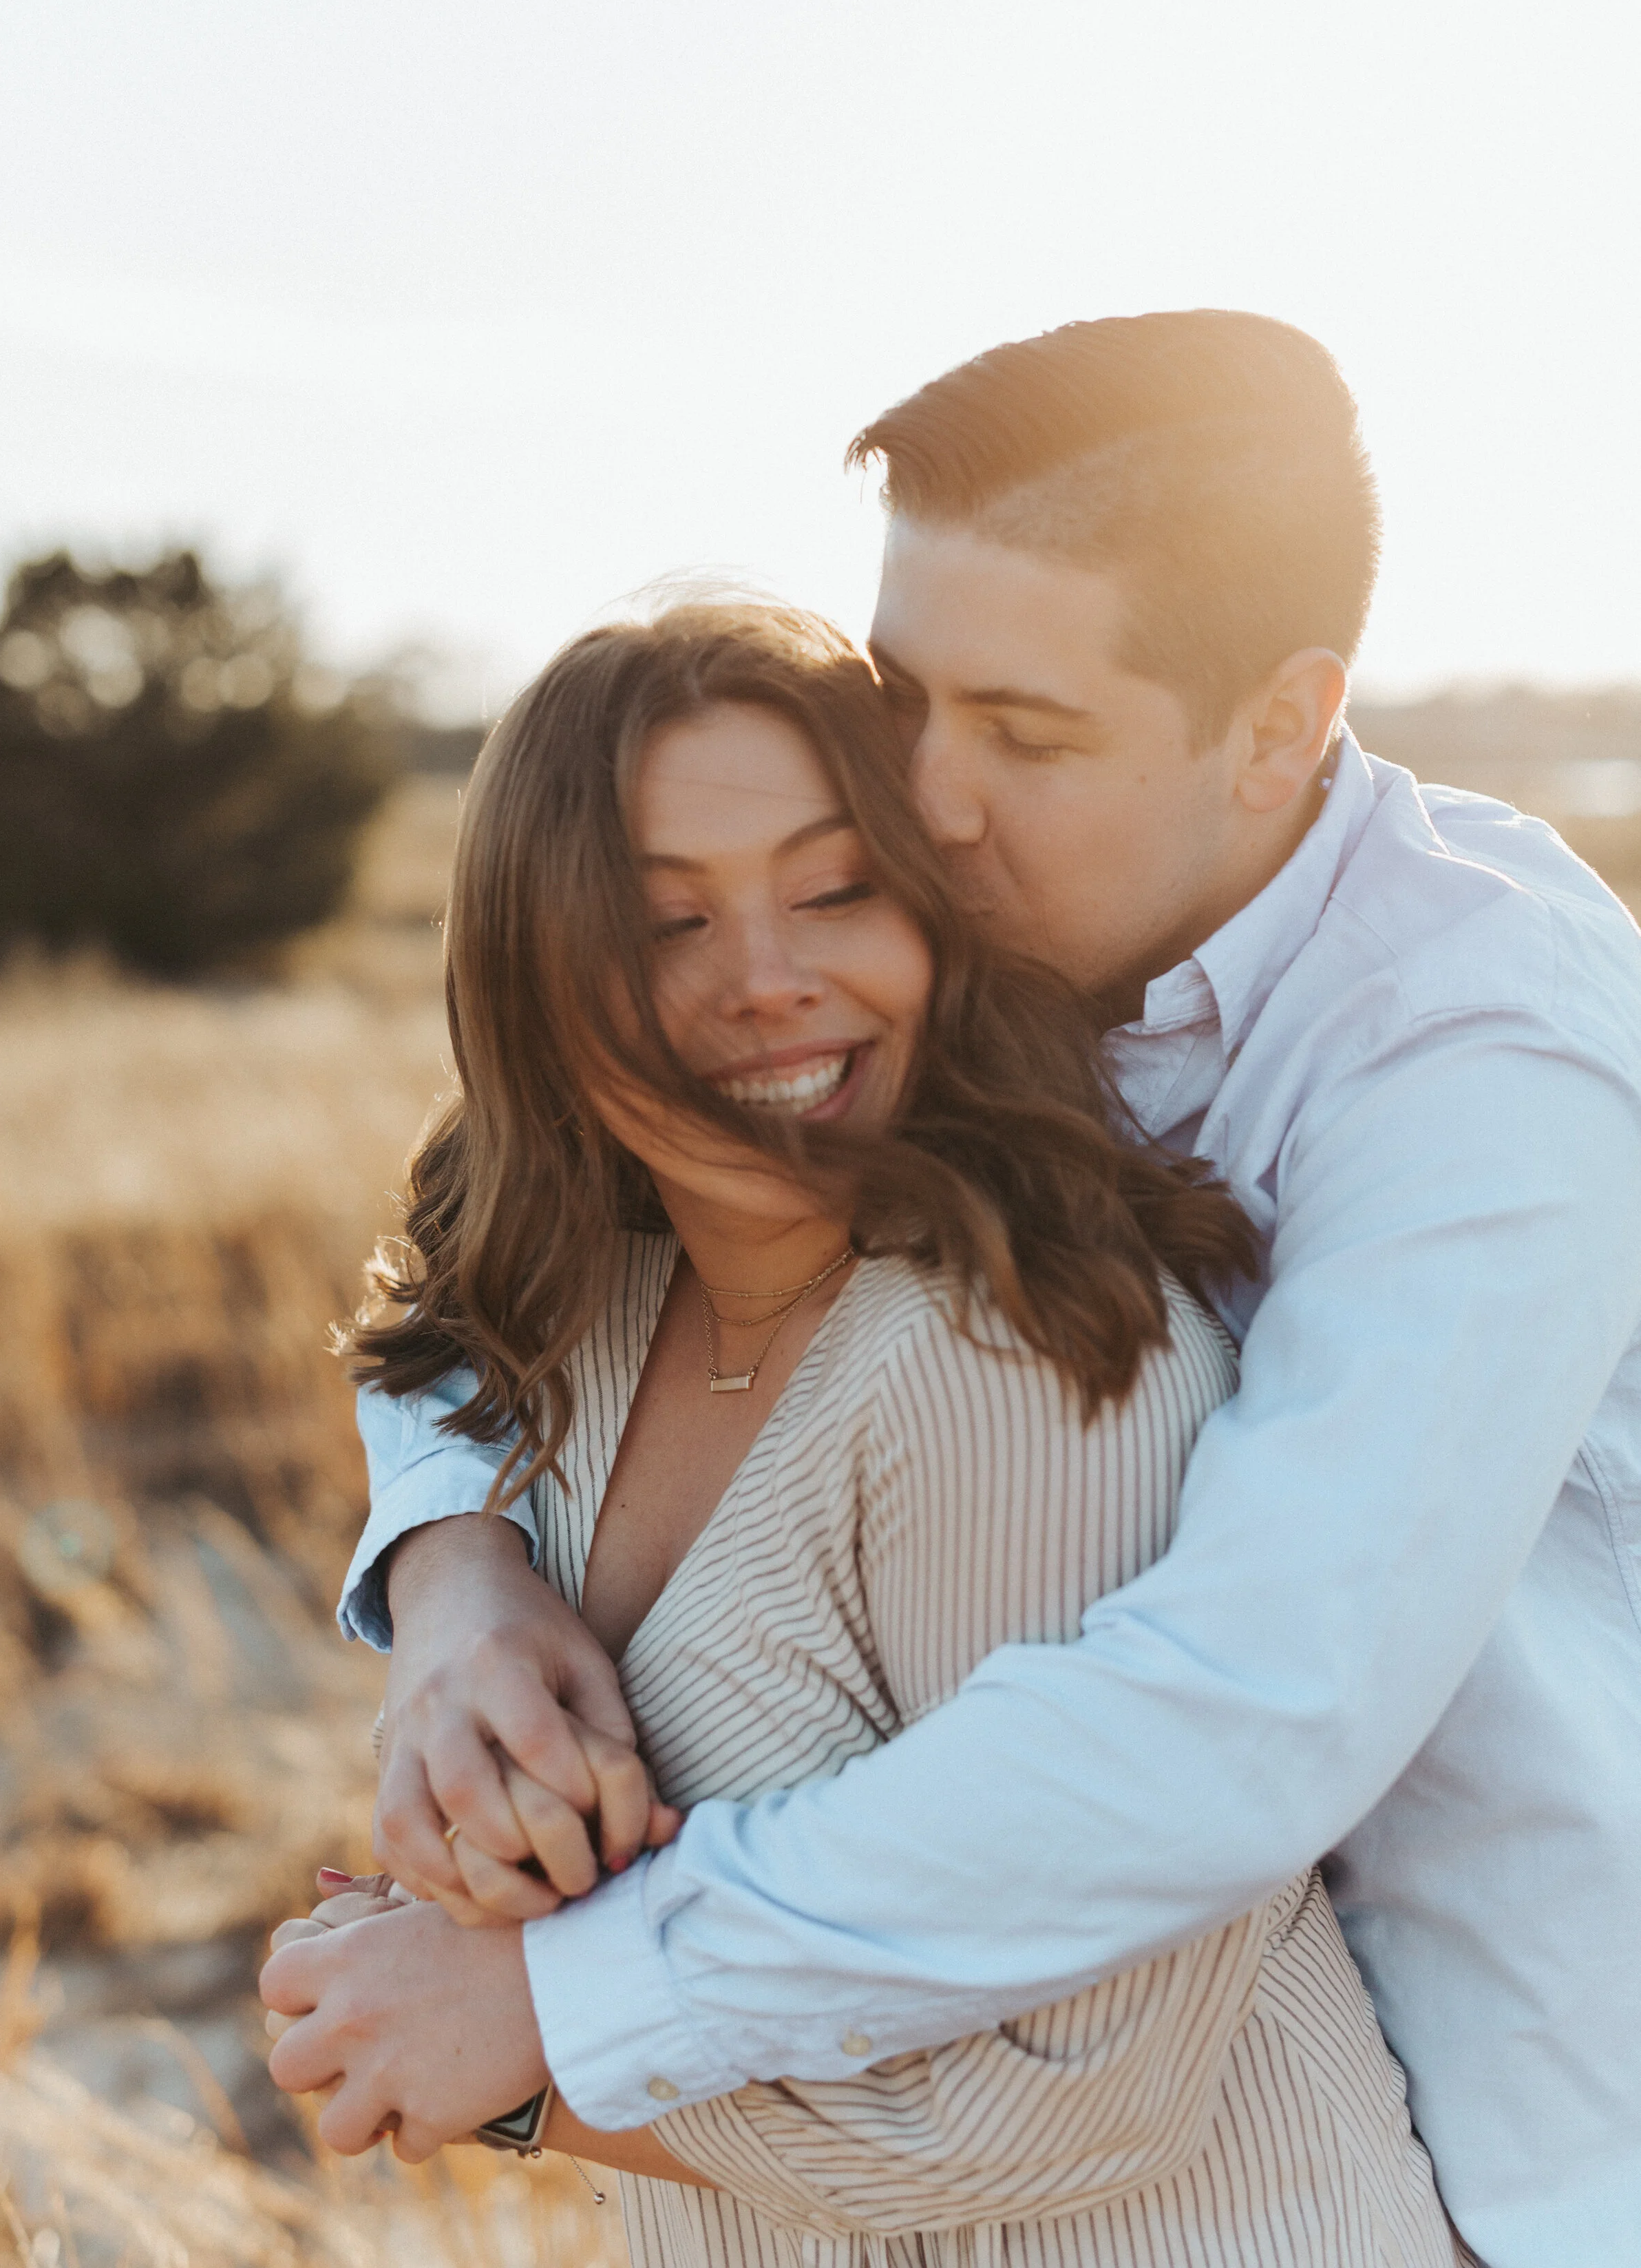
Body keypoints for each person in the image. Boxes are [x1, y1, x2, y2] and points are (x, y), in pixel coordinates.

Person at [276, 313, 1641, 2268]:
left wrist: (556, 2011)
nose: (926, 792)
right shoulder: (975, 934)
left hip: (1524, 2140)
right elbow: (521, 1187)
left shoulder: (1479, 1051)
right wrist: (453, 1575)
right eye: (903, 693)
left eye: (1025, 729)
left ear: (1277, 726)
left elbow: (1250, 1704)